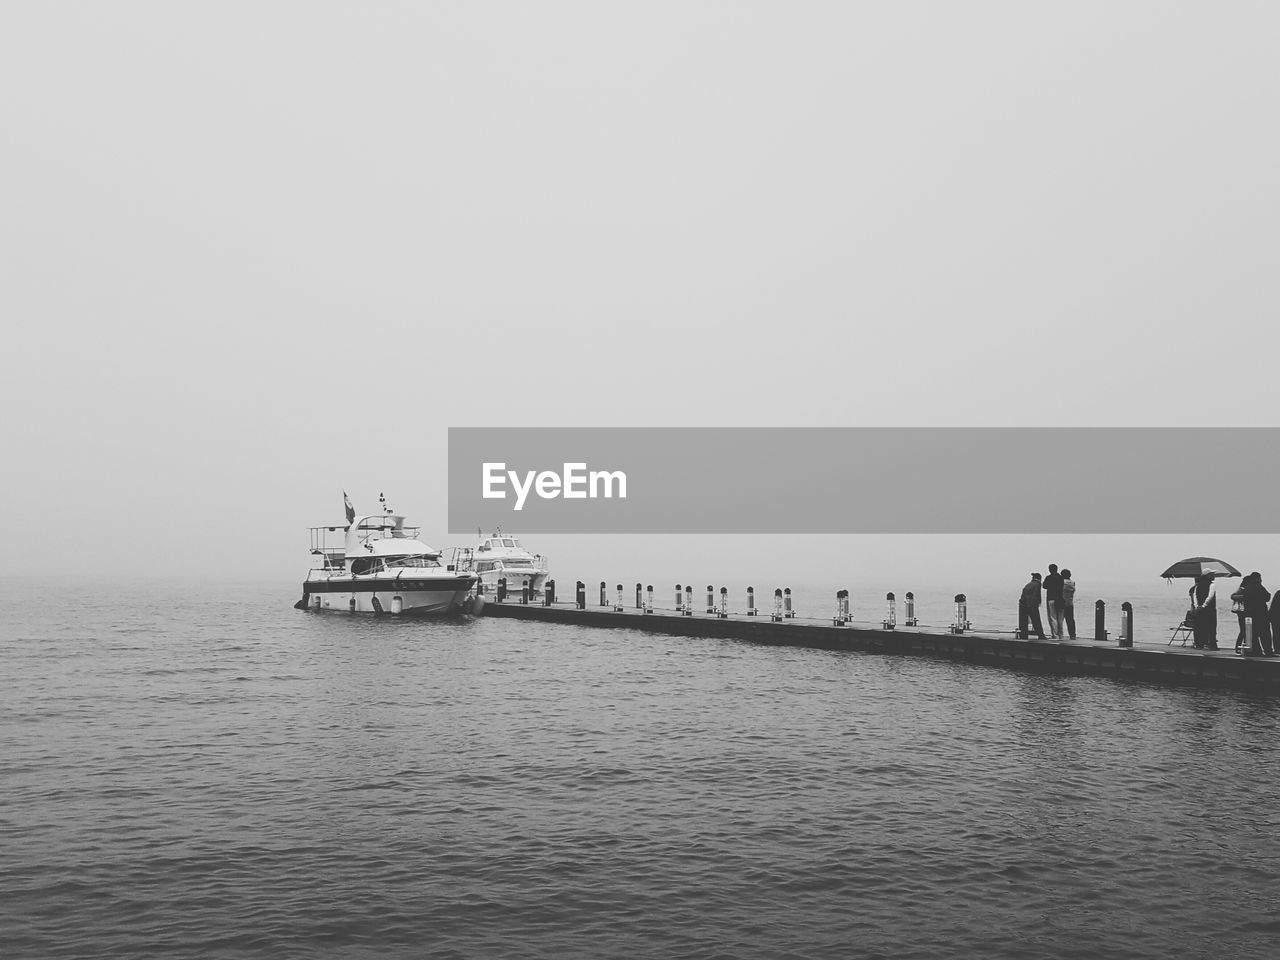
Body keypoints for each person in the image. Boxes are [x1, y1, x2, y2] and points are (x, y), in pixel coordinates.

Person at [1241, 572, 1273, 657]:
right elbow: (1267, 597)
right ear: (1257, 578)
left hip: (1250, 614)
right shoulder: (1259, 586)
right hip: (1261, 613)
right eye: (1260, 578)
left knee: (1253, 634)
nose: (1261, 580)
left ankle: (1256, 651)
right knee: (1265, 633)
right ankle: (1268, 651)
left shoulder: (1246, 588)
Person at [1189, 573, 1217, 650]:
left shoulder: (1197, 586)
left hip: (1199, 609)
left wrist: (1197, 606)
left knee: (1199, 627)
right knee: (1211, 627)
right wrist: (1204, 605)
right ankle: (1211, 644)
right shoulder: (1212, 585)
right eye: (1212, 574)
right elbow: (1210, 596)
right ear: (1208, 575)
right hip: (1209, 609)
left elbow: (1195, 597)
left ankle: (1198, 644)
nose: (1214, 576)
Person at [1019, 572, 1047, 640]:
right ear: (1040, 579)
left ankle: (1023, 635)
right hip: (1031, 604)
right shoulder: (1038, 584)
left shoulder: (1029, 584)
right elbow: (1036, 594)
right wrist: (1035, 604)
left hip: (1022, 603)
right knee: (1036, 620)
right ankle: (1041, 635)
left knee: (1023, 621)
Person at [1043, 564, 1064, 639]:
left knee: (1053, 617)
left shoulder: (1049, 577)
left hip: (1051, 598)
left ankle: (1055, 634)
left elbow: (1044, 586)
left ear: (1050, 570)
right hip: (1060, 599)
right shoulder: (1061, 578)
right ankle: (1061, 634)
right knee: (1060, 618)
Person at [1060, 568, 1077, 640]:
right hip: (1070, 603)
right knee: (1070, 620)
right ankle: (1072, 635)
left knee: (1060, 620)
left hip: (1062, 603)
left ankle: (1059, 634)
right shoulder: (1072, 582)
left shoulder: (1062, 582)